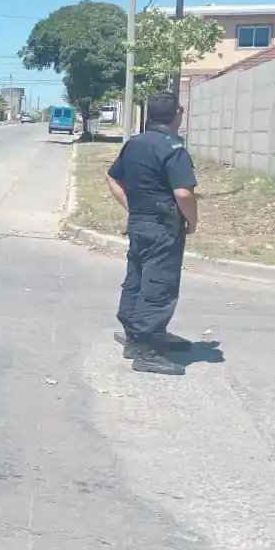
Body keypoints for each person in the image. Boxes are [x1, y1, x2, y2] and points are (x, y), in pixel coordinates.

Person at [105, 92, 198, 376]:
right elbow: (183, 193)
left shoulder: (135, 143)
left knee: (136, 278)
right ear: (178, 114)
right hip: (163, 226)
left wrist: (132, 207)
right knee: (159, 285)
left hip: (140, 222)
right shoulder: (174, 148)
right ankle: (146, 350)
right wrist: (191, 222)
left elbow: (112, 176)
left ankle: (134, 337)